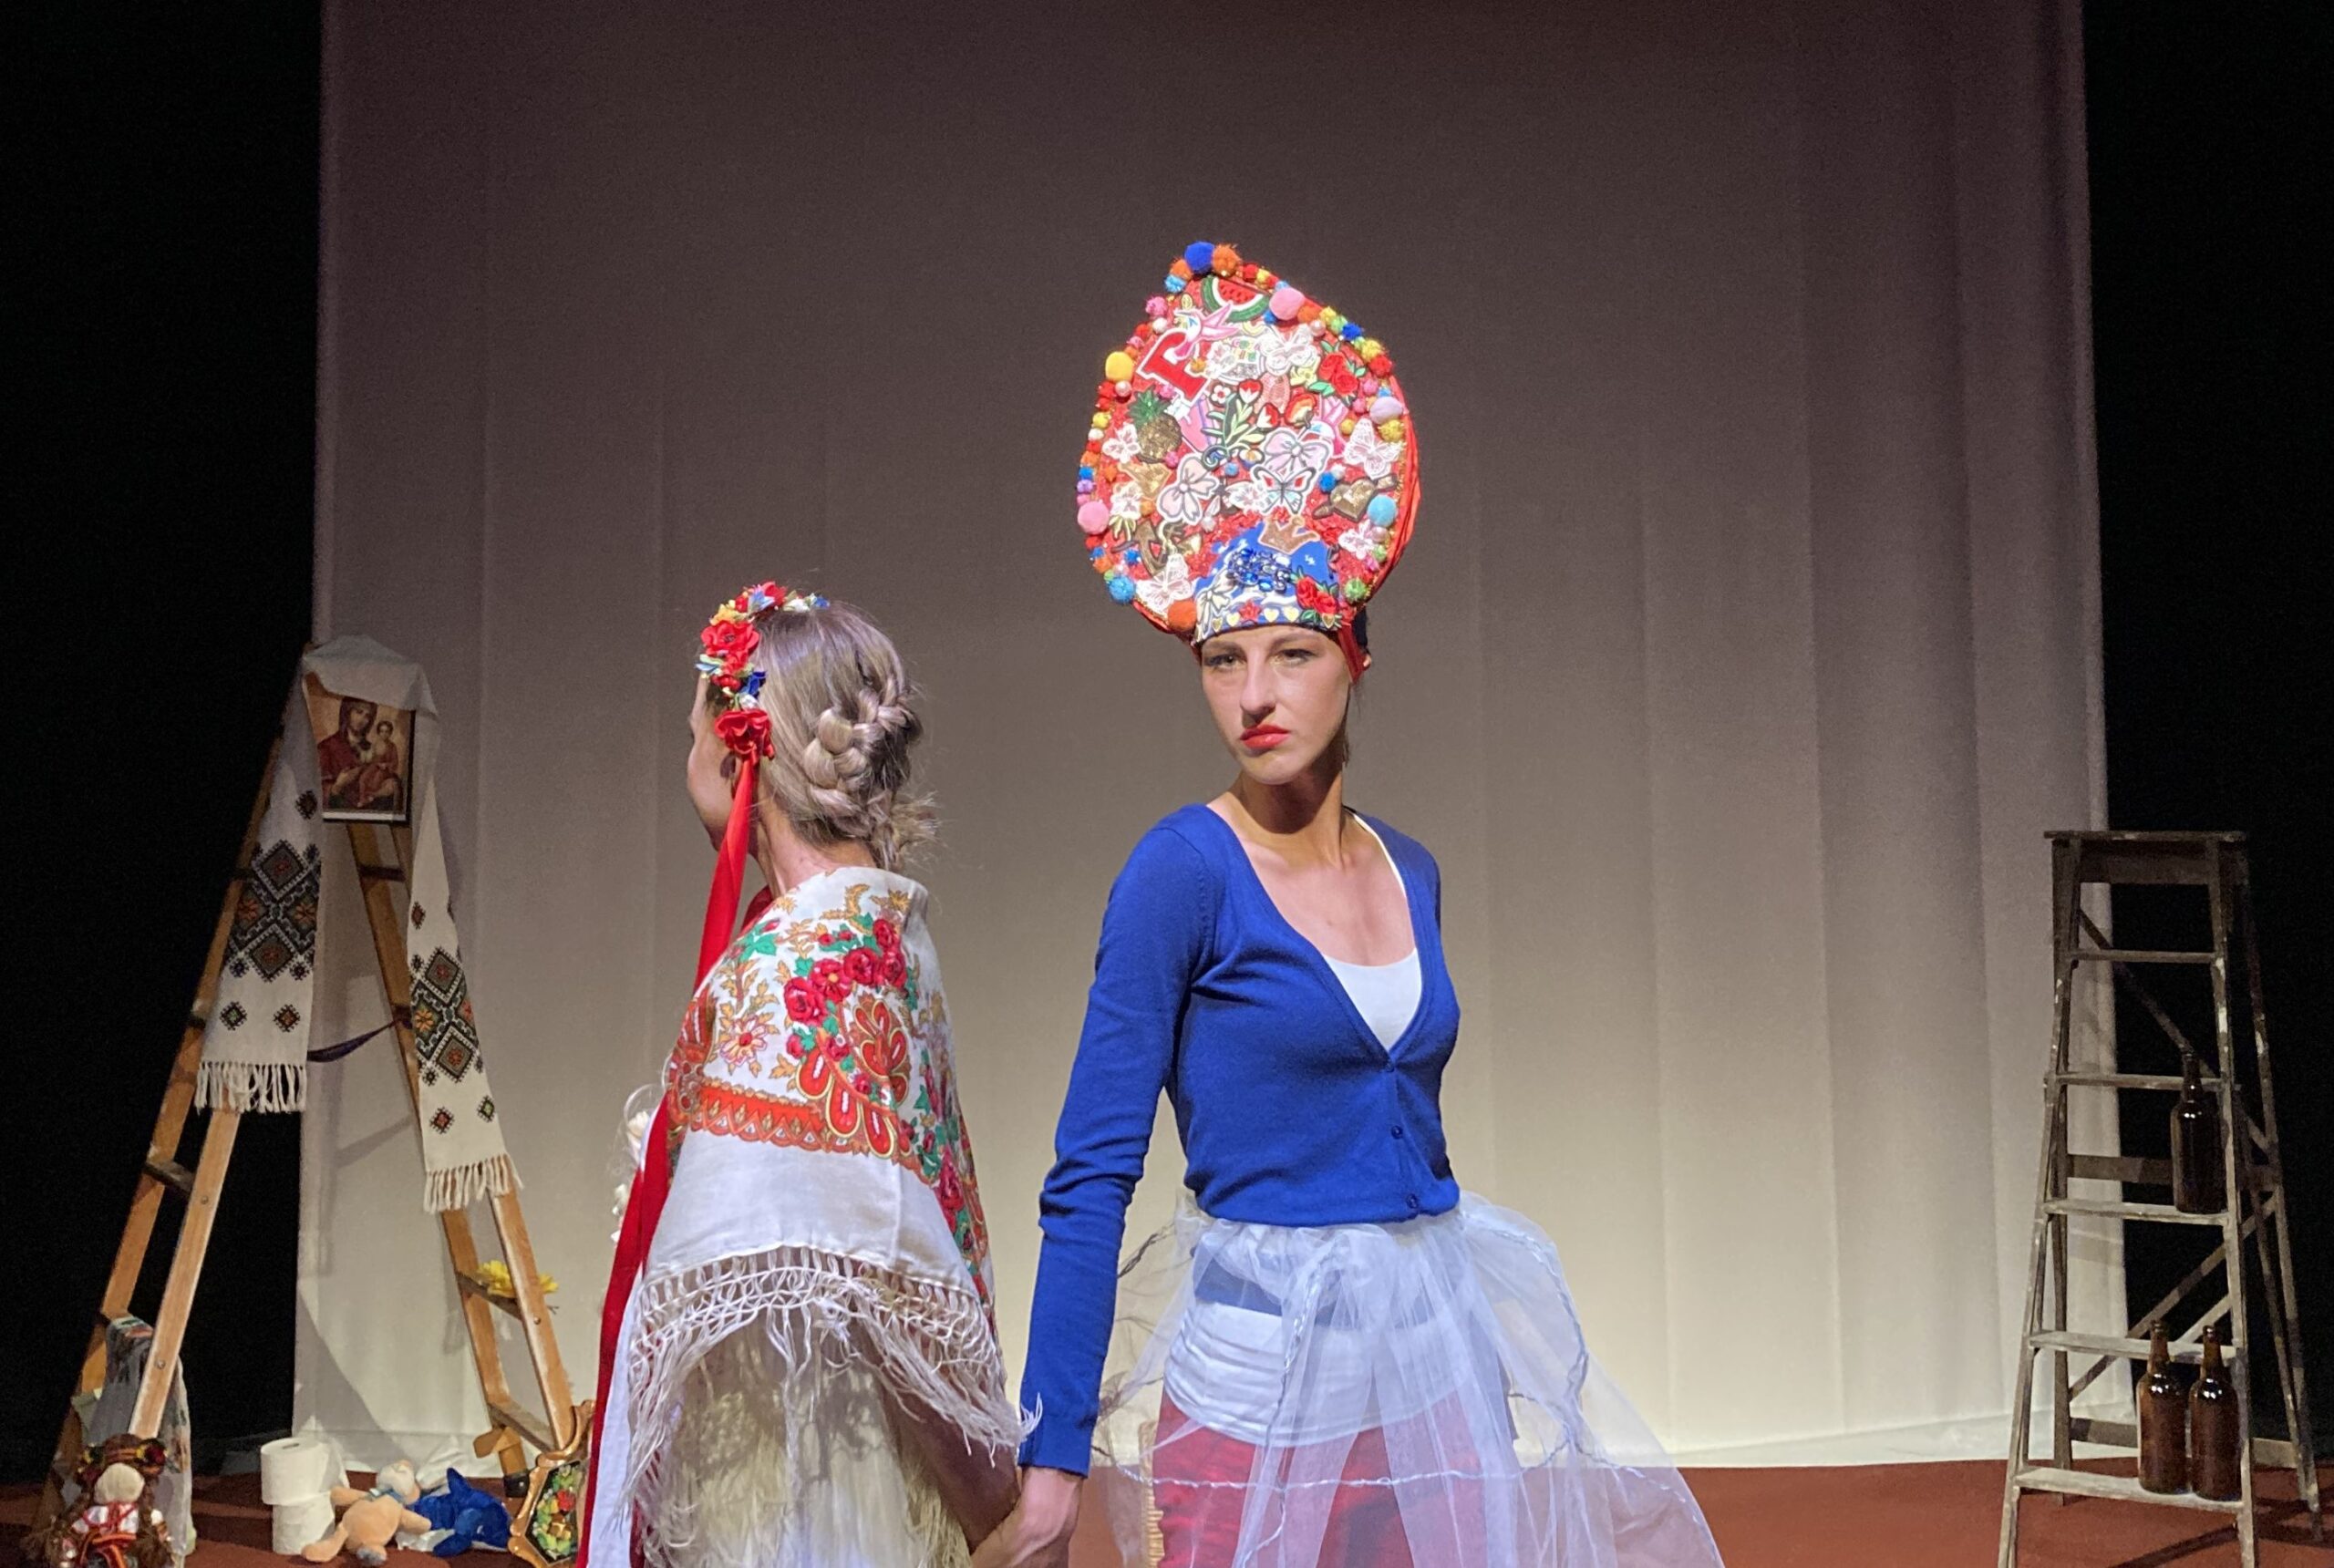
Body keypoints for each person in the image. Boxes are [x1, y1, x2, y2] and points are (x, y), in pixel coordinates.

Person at [974, 245, 1727, 1567]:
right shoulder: (1181, 872)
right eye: (1223, 660)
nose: (1255, 694)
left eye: (1293, 653)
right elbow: (1090, 1172)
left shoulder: (1410, 868)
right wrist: (1052, 1457)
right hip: (1257, 1388)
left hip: (1429, 1378)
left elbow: (1402, 1134)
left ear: (1355, 658)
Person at [587, 583, 1020, 1568]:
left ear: (736, 752)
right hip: (845, 1442)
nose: (687, 760)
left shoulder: (799, 965)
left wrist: (993, 1516)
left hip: (810, 1473)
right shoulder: (875, 927)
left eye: (694, 734)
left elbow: (880, 1269)